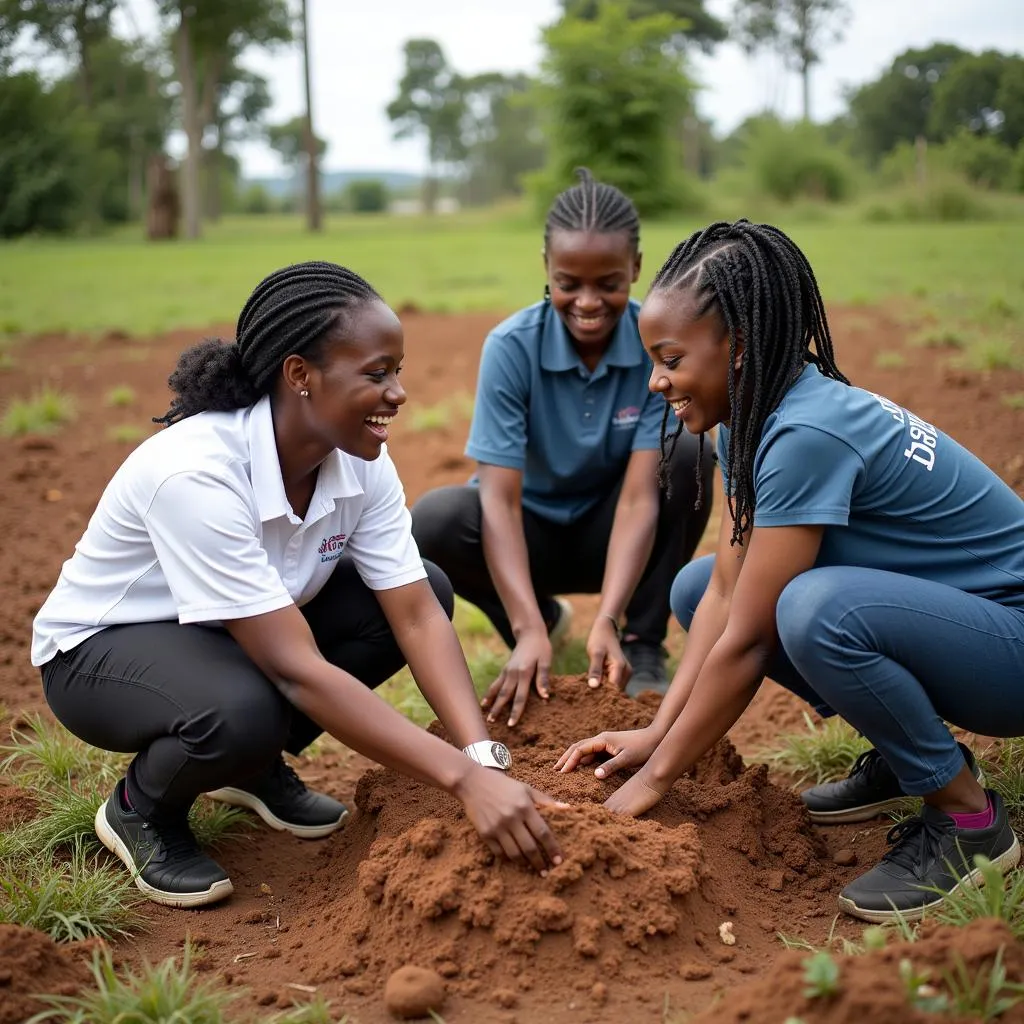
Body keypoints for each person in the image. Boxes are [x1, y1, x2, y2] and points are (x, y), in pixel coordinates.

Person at [31, 261, 563, 909]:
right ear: (300, 376)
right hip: (100, 653)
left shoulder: (360, 459)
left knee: (427, 587)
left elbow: (418, 615)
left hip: (228, 635)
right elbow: (295, 670)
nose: (397, 393)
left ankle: (250, 767)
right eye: (376, 373)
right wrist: (461, 781)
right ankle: (140, 808)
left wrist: (482, 756)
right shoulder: (197, 473)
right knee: (241, 709)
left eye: (397, 370)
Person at [555, 220, 1024, 923]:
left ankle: (968, 821)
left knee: (814, 609)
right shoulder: (750, 412)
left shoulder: (806, 434)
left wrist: (654, 779)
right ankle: (911, 756)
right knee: (696, 584)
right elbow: (721, 593)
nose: (655, 381)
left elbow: (747, 640)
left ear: (737, 347)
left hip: (1009, 649)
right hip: (963, 627)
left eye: (670, 358)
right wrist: (658, 734)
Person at [411, 169, 712, 725]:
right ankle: (537, 626)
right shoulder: (511, 347)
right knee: (436, 518)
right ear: (546, 268)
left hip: (613, 528)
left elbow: (638, 500)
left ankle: (643, 642)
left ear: (637, 270)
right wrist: (525, 627)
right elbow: (497, 501)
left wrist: (610, 618)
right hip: (529, 535)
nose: (588, 302)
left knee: (691, 457)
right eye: (569, 282)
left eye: (610, 283)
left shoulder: (656, 344)